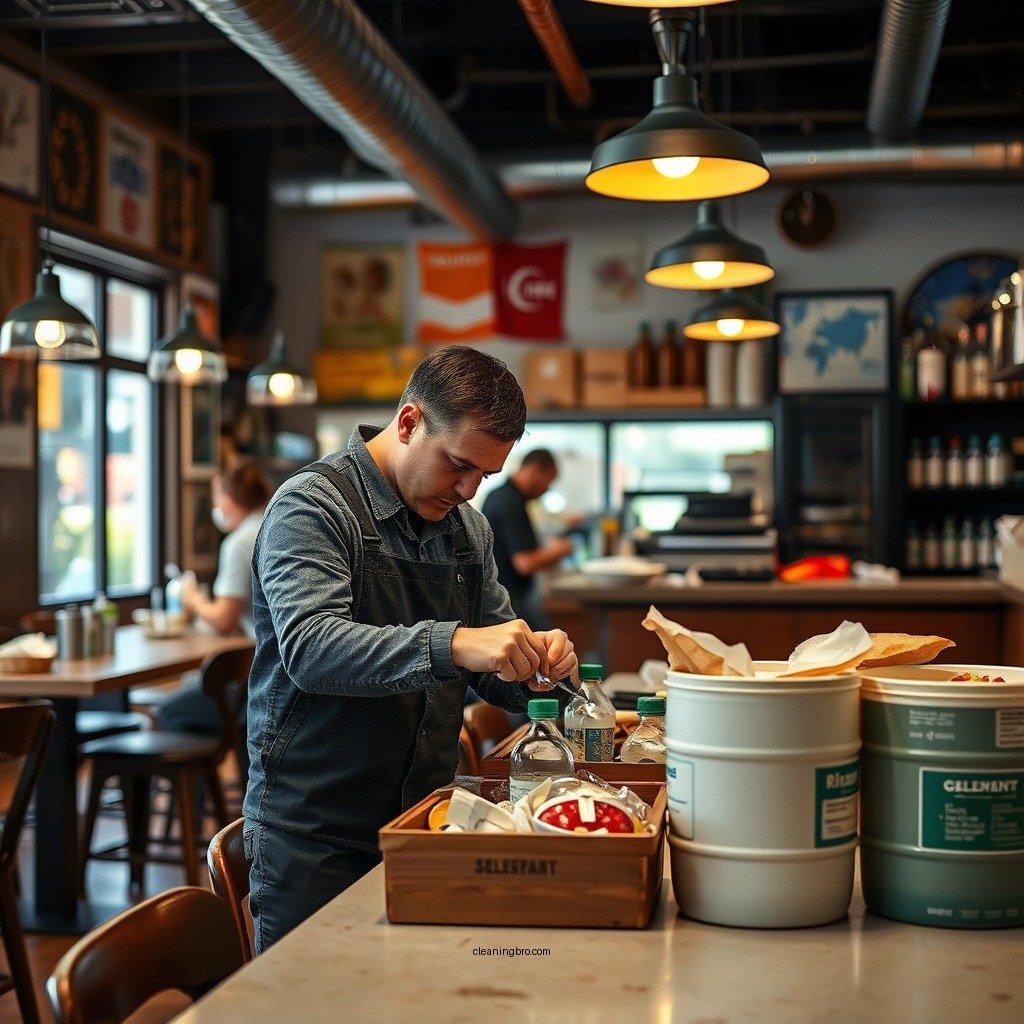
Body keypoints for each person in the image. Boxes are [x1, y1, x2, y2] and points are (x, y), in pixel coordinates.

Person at [244, 345, 577, 952]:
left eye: (486, 476)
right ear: (408, 422)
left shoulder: (467, 530)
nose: (469, 490)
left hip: (430, 819)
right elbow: (311, 648)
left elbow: (494, 666)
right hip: (316, 830)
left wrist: (539, 668)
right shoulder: (313, 507)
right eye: (458, 465)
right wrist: (455, 643)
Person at [156, 458, 272, 777]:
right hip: (272, 672)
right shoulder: (273, 524)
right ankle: (211, 802)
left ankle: (193, 808)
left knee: (169, 710)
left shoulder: (238, 542)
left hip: (254, 681)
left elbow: (223, 618)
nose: (217, 506)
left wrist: (191, 598)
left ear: (230, 499)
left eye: (217, 497)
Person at [481, 448, 574, 631]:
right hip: (508, 601)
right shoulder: (509, 502)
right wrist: (560, 550)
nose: (547, 489)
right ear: (536, 470)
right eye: (549, 480)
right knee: (553, 646)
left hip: (507, 597)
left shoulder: (502, 497)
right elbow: (524, 563)